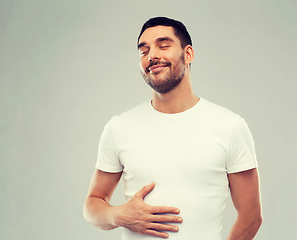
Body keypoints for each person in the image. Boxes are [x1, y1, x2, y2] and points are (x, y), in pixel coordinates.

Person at [83, 16, 262, 240]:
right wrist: (119, 215)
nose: (152, 55)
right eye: (144, 50)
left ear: (188, 54)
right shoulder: (119, 127)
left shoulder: (230, 126)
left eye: (163, 45)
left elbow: (251, 216)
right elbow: (92, 206)